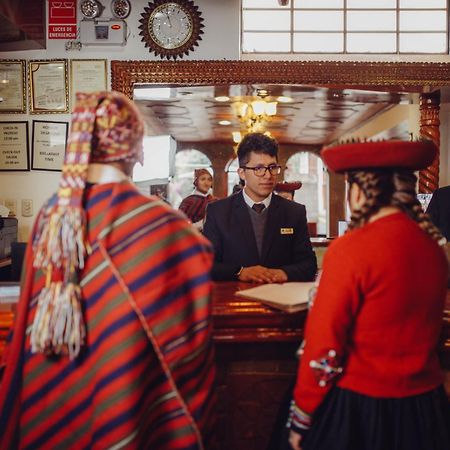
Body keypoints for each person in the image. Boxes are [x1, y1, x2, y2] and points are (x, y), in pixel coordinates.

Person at [0, 92, 215, 450]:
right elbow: (188, 340)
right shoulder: (164, 224)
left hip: (58, 390)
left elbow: (28, 322)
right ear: (136, 150)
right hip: (129, 392)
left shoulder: (52, 214)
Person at [287, 139, 450, 450]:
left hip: (363, 408)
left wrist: (303, 415)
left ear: (360, 191)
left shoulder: (351, 248)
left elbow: (324, 344)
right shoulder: (432, 247)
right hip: (426, 407)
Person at [203, 132, 317, 283]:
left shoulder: (294, 212)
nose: (268, 175)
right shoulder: (218, 212)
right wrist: (240, 272)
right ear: (242, 173)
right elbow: (206, 264)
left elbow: (309, 264)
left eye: (272, 167)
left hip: (280, 298)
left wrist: (283, 273)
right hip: (234, 299)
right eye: (258, 168)